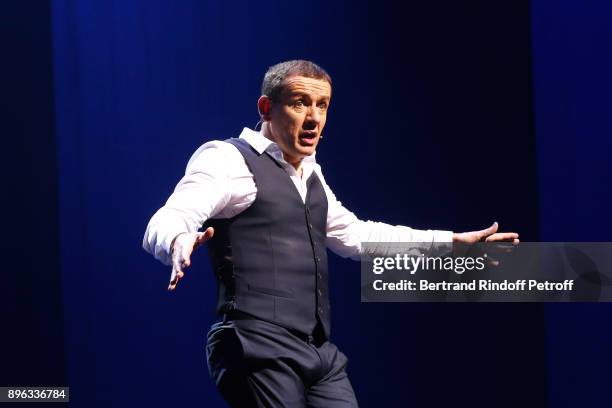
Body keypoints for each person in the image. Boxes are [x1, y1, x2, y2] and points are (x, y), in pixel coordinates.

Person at [142, 60, 519, 407]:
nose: (313, 118)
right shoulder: (229, 159)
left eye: (322, 105)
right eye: (300, 103)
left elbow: (357, 236)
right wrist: (178, 239)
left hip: (318, 353)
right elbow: (171, 215)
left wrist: (451, 244)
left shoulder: (311, 175)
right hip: (256, 343)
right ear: (266, 109)